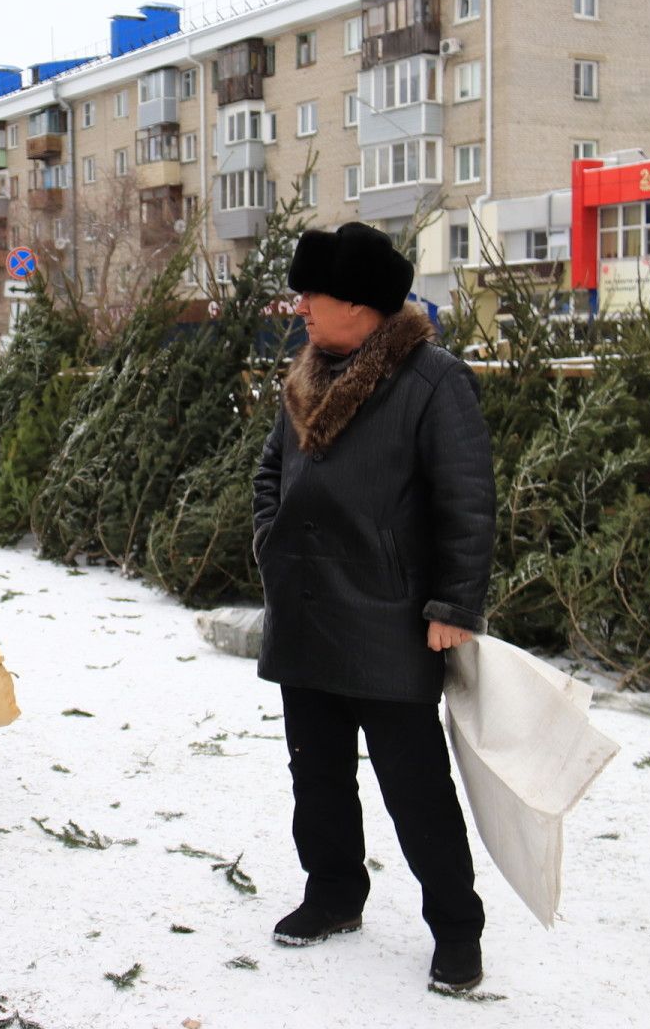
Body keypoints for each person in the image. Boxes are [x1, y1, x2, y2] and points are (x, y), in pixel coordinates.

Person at [252, 222, 495, 992]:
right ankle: (332, 895)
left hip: (387, 616)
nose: (301, 310)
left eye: (313, 297)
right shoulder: (306, 373)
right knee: (315, 774)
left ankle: (457, 929)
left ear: (358, 305)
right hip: (305, 607)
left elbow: (467, 498)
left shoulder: (432, 380)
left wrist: (453, 601)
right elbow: (269, 472)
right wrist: (272, 541)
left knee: (414, 786)